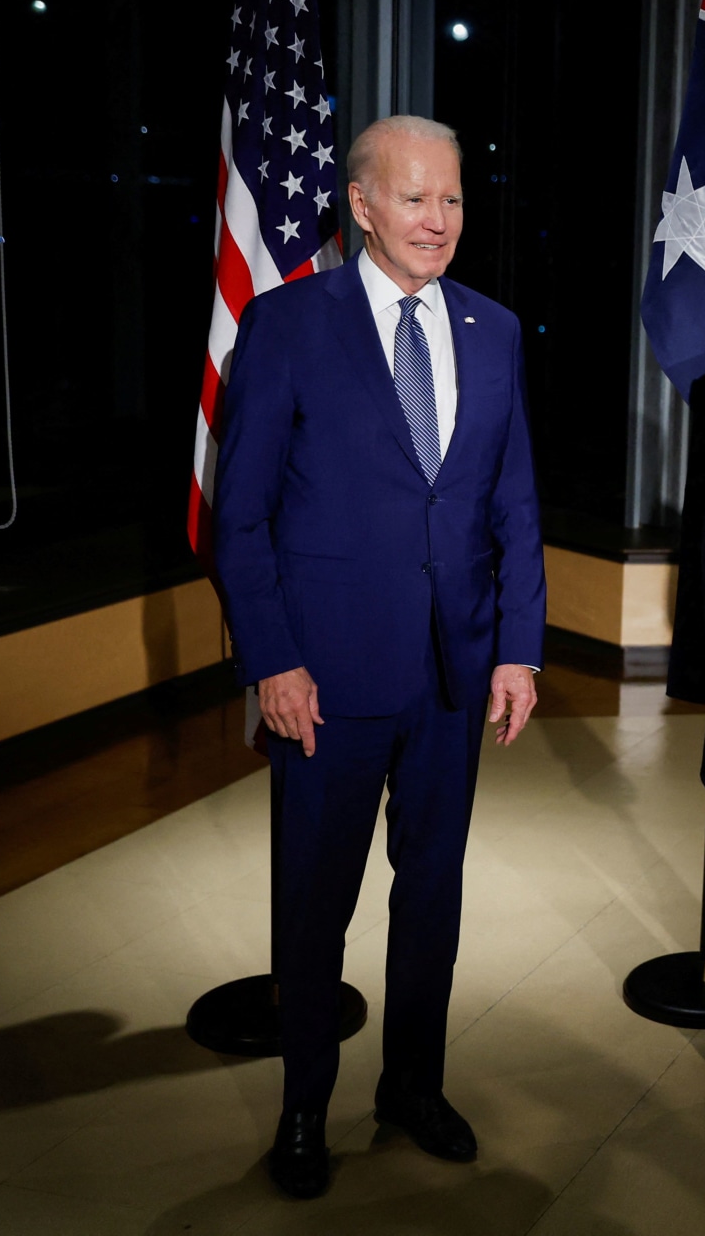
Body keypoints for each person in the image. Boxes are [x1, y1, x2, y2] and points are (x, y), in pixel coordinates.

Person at [214, 115, 544, 1198]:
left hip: (454, 673)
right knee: (316, 906)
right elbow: (241, 517)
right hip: (324, 679)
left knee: (432, 895)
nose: (438, 220)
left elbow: (513, 503)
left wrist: (519, 651)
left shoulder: (494, 329)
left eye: (452, 200)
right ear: (361, 205)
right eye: (415, 198)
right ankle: (305, 1106)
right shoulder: (286, 323)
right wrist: (273, 660)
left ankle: (413, 1085)